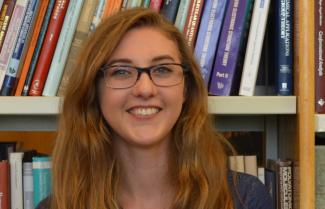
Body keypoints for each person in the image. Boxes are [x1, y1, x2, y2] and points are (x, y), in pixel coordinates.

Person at [37, 8, 272, 209]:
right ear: (93, 92)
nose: (145, 89)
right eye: (121, 71)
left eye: (162, 69)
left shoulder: (244, 199)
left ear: (186, 90)